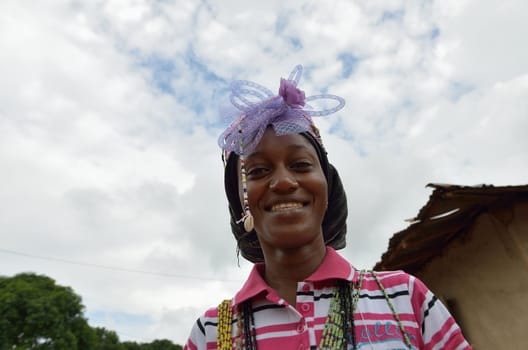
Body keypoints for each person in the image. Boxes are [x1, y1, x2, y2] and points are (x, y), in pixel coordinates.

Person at [184, 65, 471, 349]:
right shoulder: (210, 333)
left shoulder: (404, 297)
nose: (283, 182)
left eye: (300, 165)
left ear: (327, 187)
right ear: (240, 203)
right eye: (258, 171)